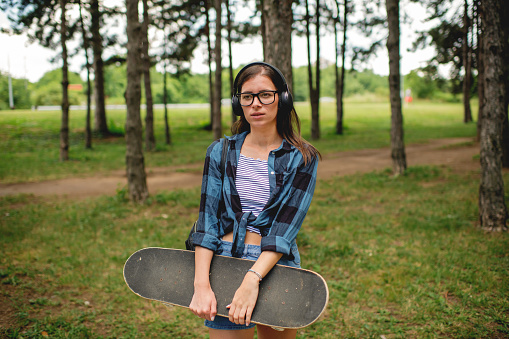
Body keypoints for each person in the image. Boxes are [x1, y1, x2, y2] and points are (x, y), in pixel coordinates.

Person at [189, 62, 320, 339]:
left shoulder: (302, 158)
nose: (256, 104)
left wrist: (252, 279)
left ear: (281, 99)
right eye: (247, 97)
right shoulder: (219, 152)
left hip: (274, 266)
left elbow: (284, 229)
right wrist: (201, 285)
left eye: (265, 95)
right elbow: (207, 221)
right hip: (223, 261)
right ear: (239, 103)